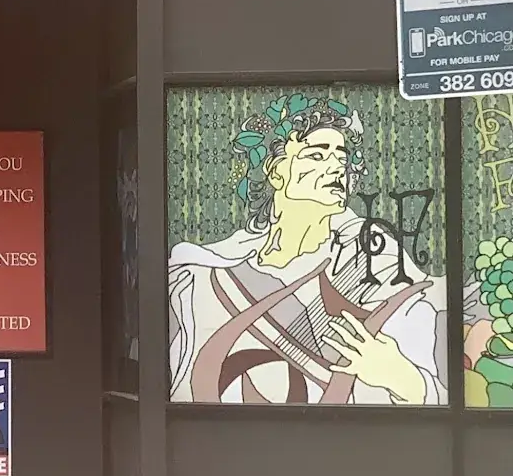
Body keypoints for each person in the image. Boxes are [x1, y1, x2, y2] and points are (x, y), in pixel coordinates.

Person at [168, 94, 445, 405]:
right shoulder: (210, 272)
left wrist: (396, 374)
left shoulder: (372, 255)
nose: (336, 168)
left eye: (341, 158)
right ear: (275, 172)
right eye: (317, 155)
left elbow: (425, 389)